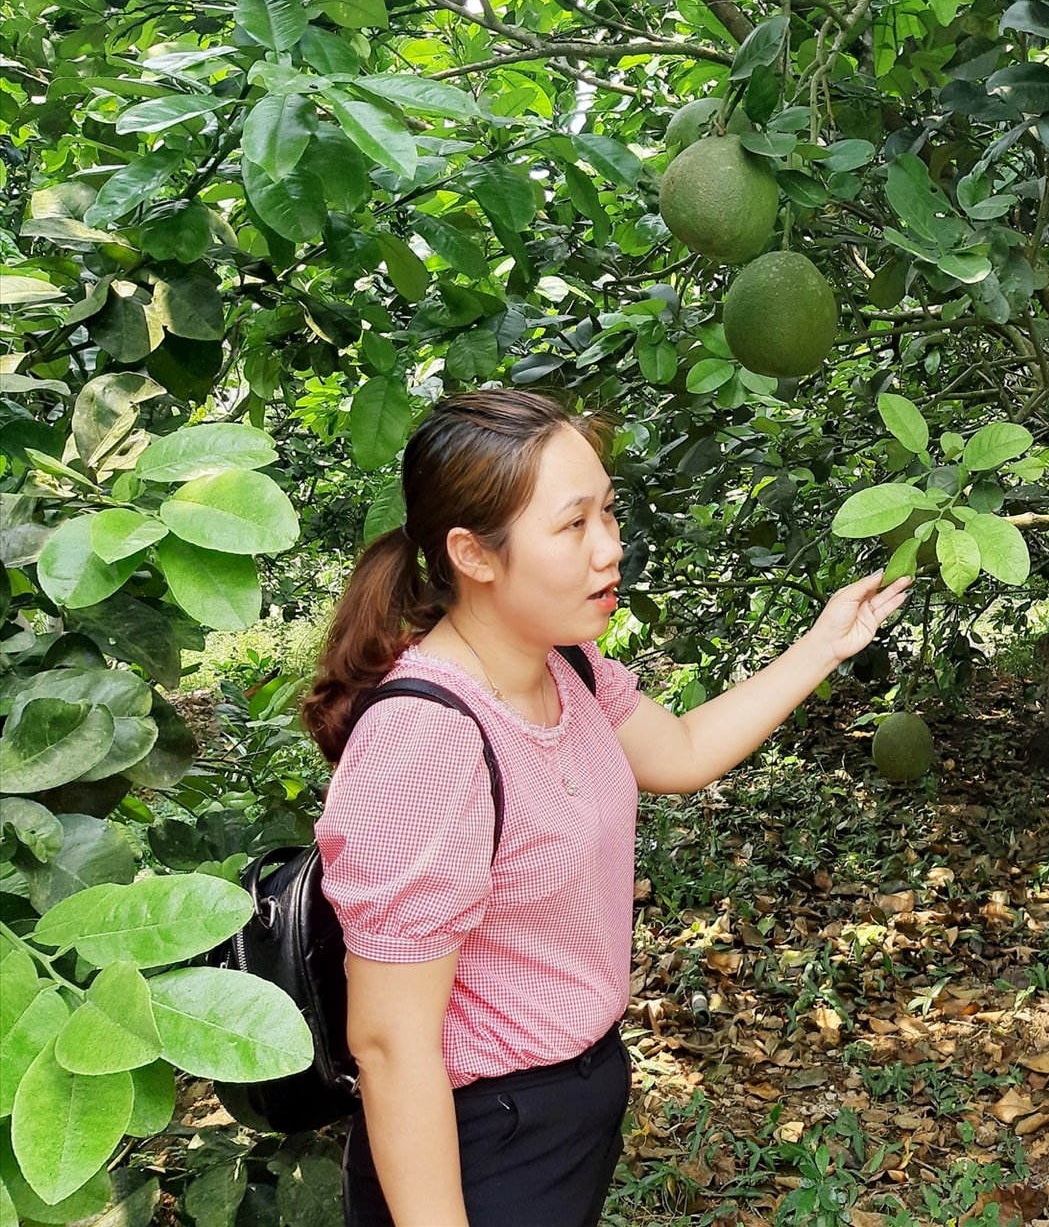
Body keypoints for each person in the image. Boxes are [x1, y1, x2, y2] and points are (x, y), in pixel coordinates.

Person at [301, 388, 910, 1227]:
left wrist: (825, 642)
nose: (609, 550)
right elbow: (390, 1043)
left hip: (573, 1109)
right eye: (573, 525)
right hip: (482, 1144)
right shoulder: (425, 738)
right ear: (473, 554)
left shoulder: (569, 667)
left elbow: (685, 752)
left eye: (610, 514)